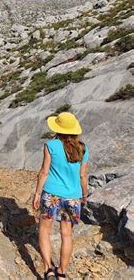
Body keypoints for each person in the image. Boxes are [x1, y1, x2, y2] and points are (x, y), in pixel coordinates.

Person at [32, 112, 89, 279]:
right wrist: (84, 194)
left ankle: (48, 269)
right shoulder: (83, 148)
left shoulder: (51, 145)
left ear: (58, 128)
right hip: (73, 196)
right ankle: (62, 272)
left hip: (51, 194)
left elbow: (44, 172)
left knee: (44, 231)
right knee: (67, 235)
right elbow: (83, 176)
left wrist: (36, 193)